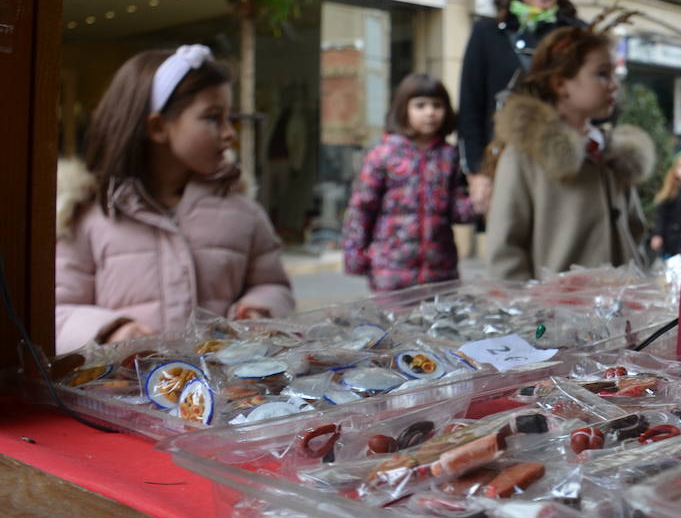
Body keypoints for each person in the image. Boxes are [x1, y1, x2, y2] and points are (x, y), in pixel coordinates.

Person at [55, 46, 294, 354]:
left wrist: (260, 308)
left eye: (228, 118)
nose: (228, 134)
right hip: (125, 395)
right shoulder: (88, 216)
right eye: (212, 118)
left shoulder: (243, 212)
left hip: (226, 395)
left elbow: (274, 284)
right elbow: (57, 311)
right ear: (157, 127)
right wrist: (114, 330)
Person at [486, 20, 655, 282]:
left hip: (625, 313)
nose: (613, 85)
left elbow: (635, 230)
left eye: (614, 75)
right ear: (560, 84)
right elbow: (505, 253)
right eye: (602, 74)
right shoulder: (524, 156)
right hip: (558, 317)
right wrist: (527, 317)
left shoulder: (612, 154)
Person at [457, 0, 581, 214]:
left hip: (565, 162)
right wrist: (477, 174)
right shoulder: (487, 32)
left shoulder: (576, 33)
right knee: (511, 249)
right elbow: (470, 107)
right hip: (507, 163)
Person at [342, 74, 476, 292]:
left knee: (440, 325)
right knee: (393, 325)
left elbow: (455, 209)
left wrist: (480, 204)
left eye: (437, 105)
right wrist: (354, 253)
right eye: (420, 105)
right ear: (403, 109)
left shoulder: (450, 156)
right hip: (391, 272)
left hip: (440, 273)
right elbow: (361, 207)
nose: (430, 112)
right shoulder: (384, 155)